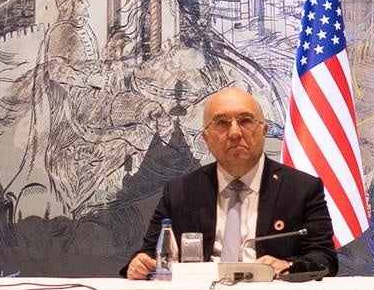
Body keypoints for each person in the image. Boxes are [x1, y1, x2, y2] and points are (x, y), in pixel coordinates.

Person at [131, 86, 340, 278]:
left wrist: (287, 265)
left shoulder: (301, 189)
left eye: (245, 121)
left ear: (264, 131)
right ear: (205, 138)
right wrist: (141, 264)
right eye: (221, 123)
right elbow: (151, 254)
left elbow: (324, 259)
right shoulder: (180, 192)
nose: (235, 133)